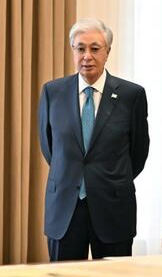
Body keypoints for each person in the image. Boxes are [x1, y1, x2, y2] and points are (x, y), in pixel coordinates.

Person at [38, 18, 149, 261]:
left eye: (95, 49)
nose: (87, 56)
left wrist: (108, 178)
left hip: (113, 207)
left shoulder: (132, 95)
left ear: (107, 52)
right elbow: (50, 148)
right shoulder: (53, 92)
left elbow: (138, 153)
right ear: (73, 51)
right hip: (65, 207)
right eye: (80, 48)